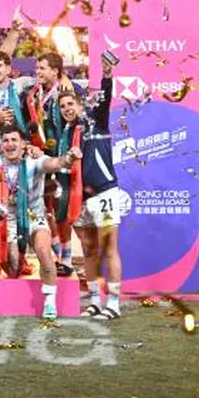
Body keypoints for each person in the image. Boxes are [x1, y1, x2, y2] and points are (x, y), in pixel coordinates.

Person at [0, 126, 80, 320]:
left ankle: (50, 301)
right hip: (9, 220)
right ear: (1, 145)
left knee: (44, 251)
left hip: (33, 216)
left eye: (14, 140)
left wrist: (68, 158)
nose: (10, 144)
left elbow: (54, 163)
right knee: (13, 268)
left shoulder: (34, 161)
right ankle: (4, 254)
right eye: (6, 141)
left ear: (23, 144)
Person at [61, 62, 128, 320]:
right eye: (63, 106)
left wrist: (107, 75)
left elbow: (105, 98)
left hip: (104, 194)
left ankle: (113, 303)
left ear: (80, 105)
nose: (67, 109)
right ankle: (94, 301)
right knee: (88, 249)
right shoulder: (67, 134)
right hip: (81, 199)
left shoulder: (95, 122)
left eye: (71, 104)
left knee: (109, 247)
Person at [24, 51, 78, 277]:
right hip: (42, 158)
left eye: (42, 68)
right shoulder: (35, 95)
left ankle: (66, 258)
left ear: (55, 71)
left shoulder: (65, 95)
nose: (37, 72)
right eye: (36, 68)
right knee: (45, 210)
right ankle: (57, 257)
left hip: (62, 161)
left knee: (61, 212)